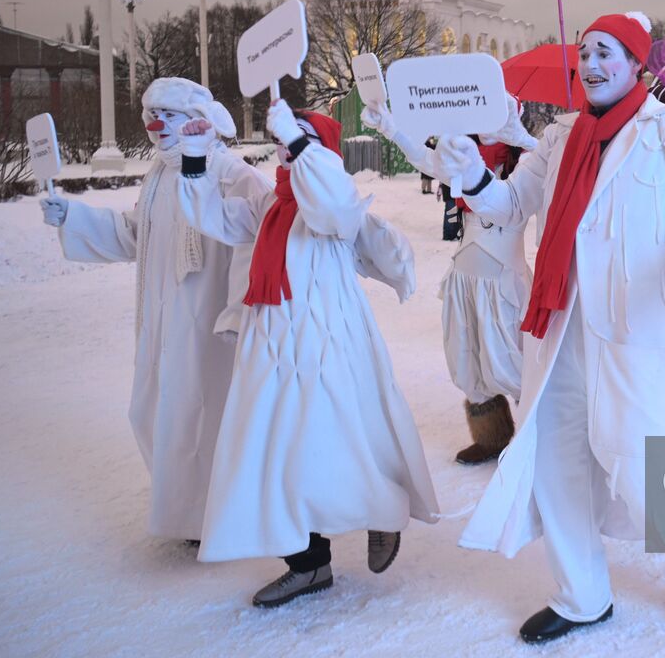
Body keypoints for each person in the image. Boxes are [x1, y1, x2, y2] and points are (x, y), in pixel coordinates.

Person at [427, 12, 665, 643]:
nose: (592, 64)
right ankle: (582, 597)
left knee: (647, 471)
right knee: (559, 466)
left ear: (637, 63)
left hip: (640, 334)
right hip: (560, 330)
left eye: (606, 52)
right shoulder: (557, 139)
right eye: (585, 53)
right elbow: (509, 206)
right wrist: (471, 173)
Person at [175, 102, 438, 607]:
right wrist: (193, 157)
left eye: (298, 138)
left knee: (340, 439)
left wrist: (301, 146)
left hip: (328, 345)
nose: (285, 147)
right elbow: (214, 218)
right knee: (277, 450)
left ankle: (383, 510)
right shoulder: (272, 204)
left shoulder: (334, 204)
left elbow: (333, 205)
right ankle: (307, 562)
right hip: (272, 346)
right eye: (283, 138)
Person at [38, 78, 269, 545]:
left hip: (209, 328)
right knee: (157, 411)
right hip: (162, 322)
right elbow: (134, 235)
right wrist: (73, 217)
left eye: (168, 115)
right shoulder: (159, 176)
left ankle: (218, 517)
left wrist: (239, 312)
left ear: (196, 122)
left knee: (207, 414)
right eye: (150, 115)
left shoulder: (231, 174)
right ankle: (188, 515)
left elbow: (264, 236)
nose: (155, 124)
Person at [363, 99, 539, 466]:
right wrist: (391, 128)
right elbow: (427, 161)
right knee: (466, 358)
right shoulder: (463, 155)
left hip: (503, 282)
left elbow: (557, 174)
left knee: (511, 362)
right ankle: (491, 435)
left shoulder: (527, 165)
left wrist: (526, 141)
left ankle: (538, 441)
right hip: (465, 278)